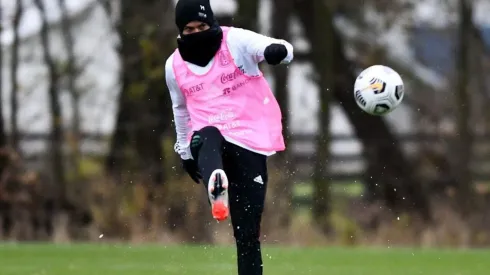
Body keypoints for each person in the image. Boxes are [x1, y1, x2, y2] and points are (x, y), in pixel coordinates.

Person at [165, 0, 293, 274]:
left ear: (212, 23)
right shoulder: (173, 67)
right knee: (208, 134)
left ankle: (218, 185)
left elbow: (282, 48)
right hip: (209, 143)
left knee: (247, 237)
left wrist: (276, 52)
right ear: (180, 31)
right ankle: (216, 184)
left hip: (249, 142)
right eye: (190, 29)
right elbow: (180, 110)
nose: (197, 33)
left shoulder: (234, 40)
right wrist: (185, 152)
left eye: (203, 26)